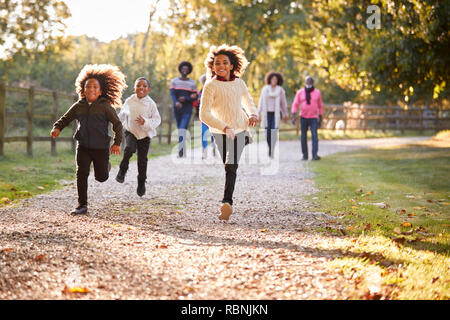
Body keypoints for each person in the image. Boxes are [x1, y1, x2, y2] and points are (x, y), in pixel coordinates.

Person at [51, 64, 126, 214]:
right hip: (83, 146)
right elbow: (66, 118)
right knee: (81, 173)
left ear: (100, 91)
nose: (91, 89)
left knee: (101, 177)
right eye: (88, 87)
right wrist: (57, 127)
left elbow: (117, 125)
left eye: (95, 87)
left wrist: (117, 143)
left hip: (101, 148)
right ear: (83, 90)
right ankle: (82, 205)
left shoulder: (105, 106)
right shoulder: (79, 106)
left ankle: (106, 167)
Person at [200, 44, 258, 221]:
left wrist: (253, 113)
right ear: (213, 66)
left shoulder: (239, 83)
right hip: (220, 131)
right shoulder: (211, 86)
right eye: (217, 63)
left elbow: (247, 101)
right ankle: (247, 140)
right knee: (227, 163)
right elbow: (204, 114)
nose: (221, 66)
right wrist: (224, 127)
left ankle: (227, 202)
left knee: (231, 165)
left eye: (225, 62)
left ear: (232, 65)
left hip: (240, 128)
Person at [115, 77, 161, 197]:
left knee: (142, 160)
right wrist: (116, 123)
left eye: (144, 86)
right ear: (134, 89)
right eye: (138, 85)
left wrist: (145, 122)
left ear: (148, 89)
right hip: (131, 131)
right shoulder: (130, 101)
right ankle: (122, 169)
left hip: (144, 135)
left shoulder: (151, 104)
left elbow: (157, 120)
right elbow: (122, 114)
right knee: (129, 148)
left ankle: (141, 182)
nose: (141, 88)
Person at [257, 71, 289, 158]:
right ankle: (270, 147)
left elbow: (283, 103)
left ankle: (272, 150)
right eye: (272, 79)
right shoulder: (265, 89)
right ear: (269, 79)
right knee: (267, 133)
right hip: (266, 114)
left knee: (274, 132)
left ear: (278, 80)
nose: (274, 80)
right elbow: (260, 102)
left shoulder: (280, 90)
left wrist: (286, 114)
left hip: (276, 114)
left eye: (276, 79)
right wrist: (258, 113)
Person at [291, 76, 323, 160]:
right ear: (305, 82)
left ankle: (314, 155)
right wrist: (293, 115)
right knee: (303, 136)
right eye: (307, 81)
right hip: (303, 117)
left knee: (315, 136)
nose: (309, 82)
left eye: (310, 81)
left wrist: (320, 118)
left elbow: (320, 106)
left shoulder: (317, 92)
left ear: (313, 82)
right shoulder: (300, 92)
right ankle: (305, 155)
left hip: (314, 118)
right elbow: (295, 104)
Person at [170, 61, 198, 158]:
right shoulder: (174, 81)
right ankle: (183, 148)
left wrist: (186, 98)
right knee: (180, 129)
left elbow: (195, 96)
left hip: (187, 109)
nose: (184, 70)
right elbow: (172, 94)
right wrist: (176, 102)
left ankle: (181, 151)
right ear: (180, 69)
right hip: (177, 109)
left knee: (182, 128)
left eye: (186, 69)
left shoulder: (192, 83)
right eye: (183, 69)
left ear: (189, 71)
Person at [197, 74, 216, 159]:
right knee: (204, 133)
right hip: (204, 116)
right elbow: (197, 105)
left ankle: (214, 148)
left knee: (213, 134)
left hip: (213, 116)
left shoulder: (215, 91)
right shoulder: (200, 92)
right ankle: (204, 152)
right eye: (204, 80)